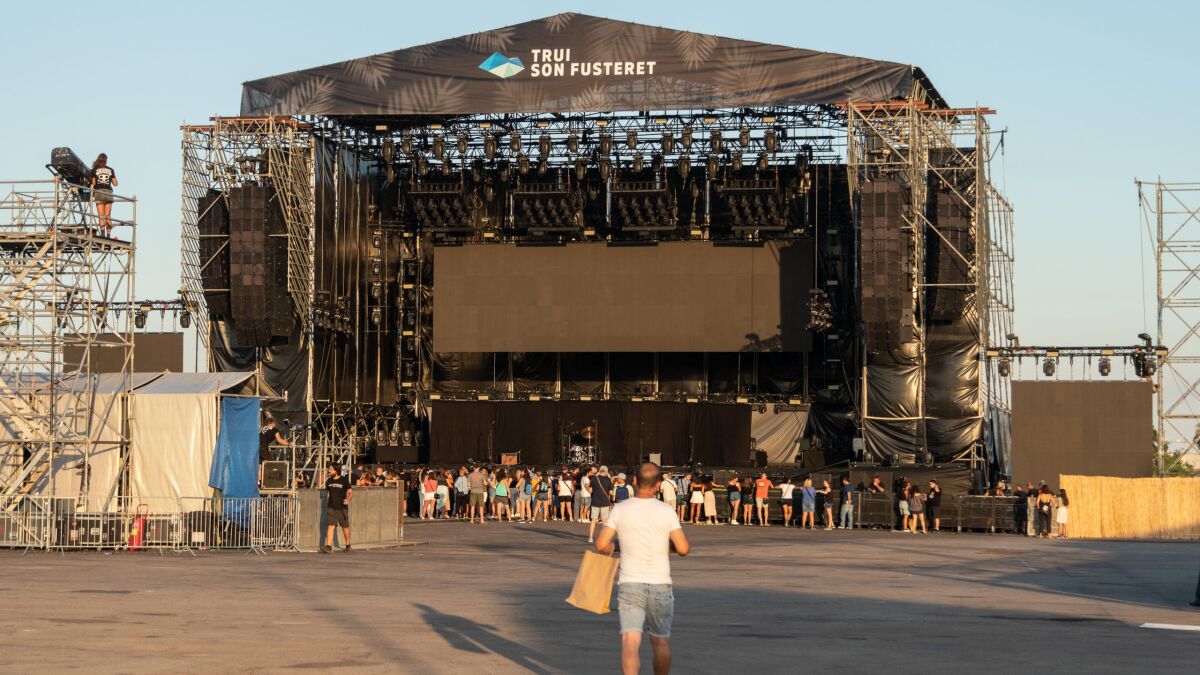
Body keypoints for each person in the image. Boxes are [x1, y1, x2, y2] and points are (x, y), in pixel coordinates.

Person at [594, 462, 690, 675]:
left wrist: (616, 546)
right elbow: (683, 548)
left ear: (635, 481)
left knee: (630, 642)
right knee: (660, 642)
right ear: (658, 485)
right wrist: (666, 544)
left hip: (630, 583)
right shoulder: (666, 511)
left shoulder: (620, 509)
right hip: (660, 584)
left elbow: (601, 545)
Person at [322, 465, 352, 553]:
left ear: (336, 470)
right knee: (331, 525)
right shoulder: (329, 480)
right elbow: (328, 494)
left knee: (345, 526)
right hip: (331, 507)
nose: (329, 471)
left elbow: (350, 492)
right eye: (329, 469)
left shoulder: (344, 480)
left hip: (342, 507)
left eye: (331, 470)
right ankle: (328, 546)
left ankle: (348, 545)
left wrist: (348, 499)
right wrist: (327, 505)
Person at [89, 153, 118, 236]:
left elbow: (94, 184)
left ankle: (102, 234)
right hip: (108, 192)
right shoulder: (111, 170)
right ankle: (109, 235)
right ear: (106, 161)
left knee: (101, 216)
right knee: (108, 216)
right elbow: (115, 183)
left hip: (99, 192)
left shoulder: (94, 170)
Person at [257, 417, 289, 485]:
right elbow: (279, 440)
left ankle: (259, 483)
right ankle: (271, 482)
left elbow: (263, 438)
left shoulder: (262, 428)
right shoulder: (274, 429)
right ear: (272, 423)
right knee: (271, 464)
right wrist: (289, 444)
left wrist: (283, 441)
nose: (275, 424)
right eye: (274, 423)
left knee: (260, 466)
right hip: (263, 447)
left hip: (256, 447)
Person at [588, 466, 615, 544]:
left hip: (595, 501)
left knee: (593, 520)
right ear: (606, 471)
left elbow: (590, 491)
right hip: (605, 502)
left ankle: (590, 537)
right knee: (604, 521)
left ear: (599, 471)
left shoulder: (594, 478)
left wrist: (587, 487)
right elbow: (611, 493)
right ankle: (603, 538)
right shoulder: (608, 480)